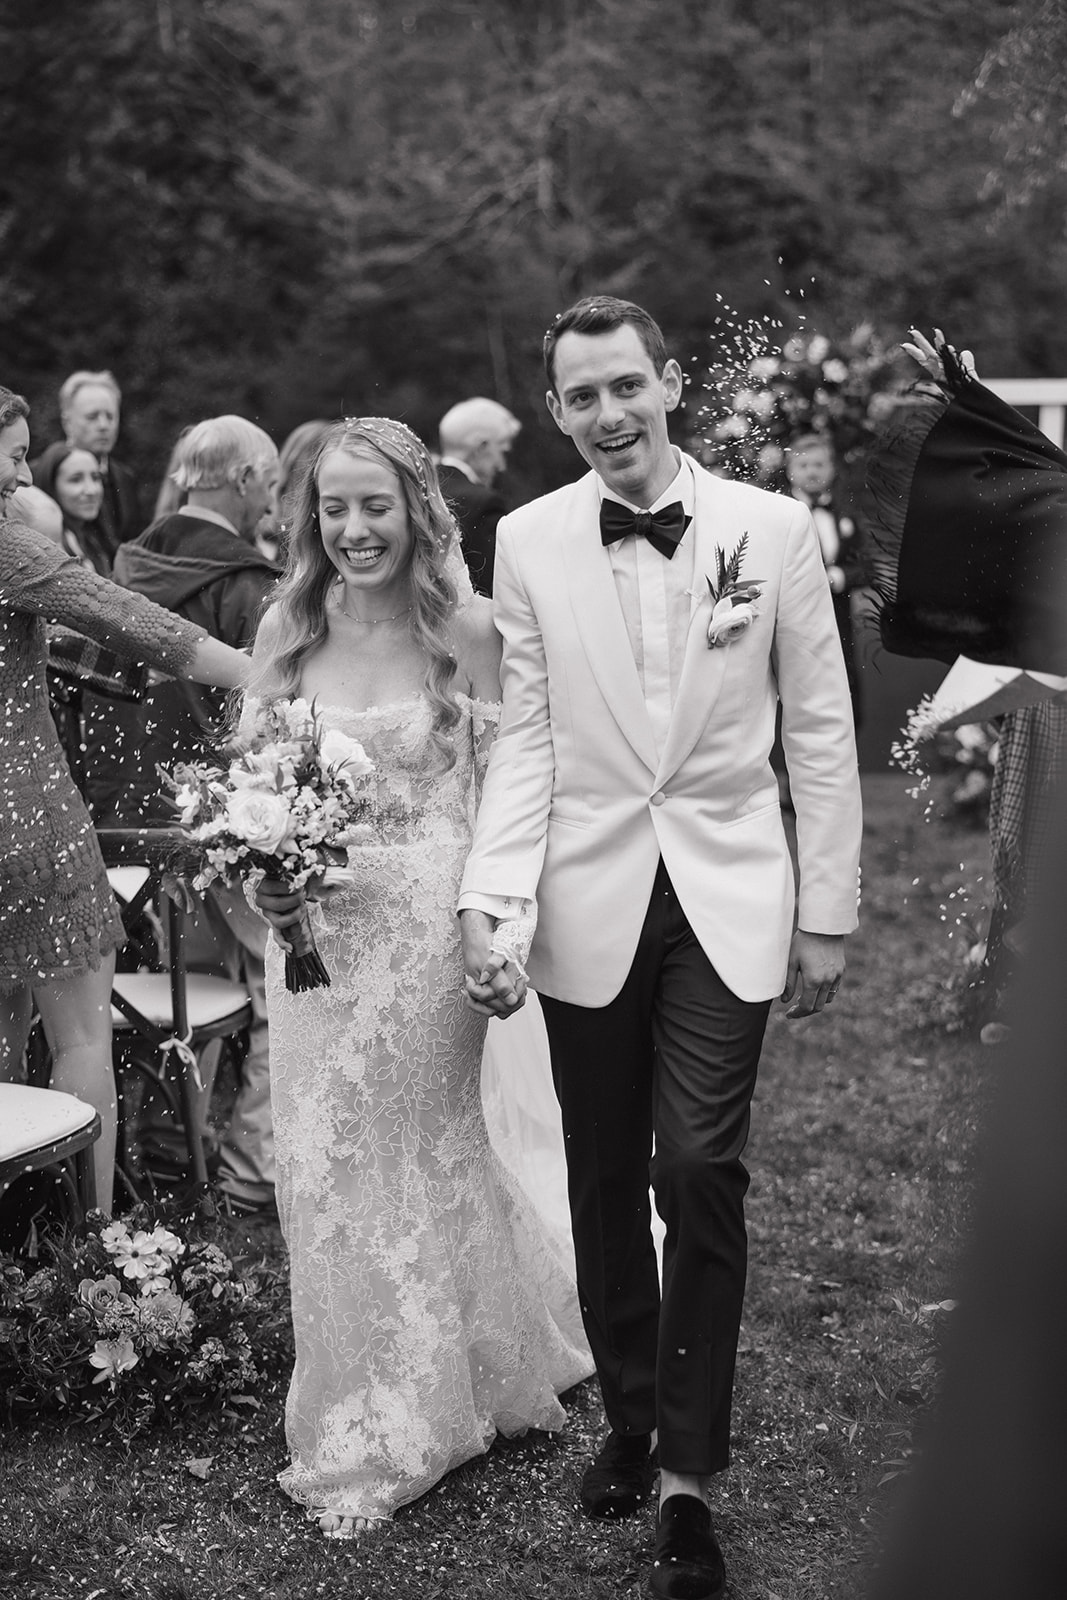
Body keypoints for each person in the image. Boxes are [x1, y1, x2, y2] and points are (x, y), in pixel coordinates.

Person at [458, 296, 863, 1600]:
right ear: (554, 411)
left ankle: (688, 1479)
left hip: (727, 894)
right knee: (598, 1172)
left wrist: (827, 908)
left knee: (693, 1166)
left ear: (669, 383)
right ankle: (629, 1416)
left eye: (625, 385)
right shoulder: (522, 540)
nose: (607, 415)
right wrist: (493, 900)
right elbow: (521, 738)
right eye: (580, 397)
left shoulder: (769, 529)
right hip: (583, 900)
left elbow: (816, 727)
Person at [249, 415, 591, 1537]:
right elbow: (252, 794)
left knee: (418, 1147)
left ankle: (428, 1405)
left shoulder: (474, 633)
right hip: (313, 944)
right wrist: (268, 883)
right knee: (319, 1158)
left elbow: (510, 795)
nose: (353, 529)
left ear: (417, 510)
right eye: (333, 508)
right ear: (309, 518)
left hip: (435, 933)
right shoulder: (284, 630)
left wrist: (491, 926)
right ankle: (356, 1393)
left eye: (375, 506)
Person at [0, 386, 251, 1216]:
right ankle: (87, 1247)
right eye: (11, 453)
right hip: (30, 827)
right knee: (80, 1037)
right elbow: (130, 621)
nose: (19, 472)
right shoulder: (10, 546)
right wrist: (269, 673)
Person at [112, 416, 281, 1213]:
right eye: (272, 486)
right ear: (244, 480)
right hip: (219, 823)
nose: (273, 505)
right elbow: (269, 715)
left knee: (174, 994)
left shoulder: (124, 567)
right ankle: (254, 1175)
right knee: (279, 992)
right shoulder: (246, 585)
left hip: (122, 832)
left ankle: (173, 1152)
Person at [785, 431, 869, 727]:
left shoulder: (844, 512)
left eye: (819, 465)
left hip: (837, 617)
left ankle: (846, 757)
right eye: (804, 465)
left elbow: (865, 564)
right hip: (789, 618)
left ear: (831, 469)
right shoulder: (776, 512)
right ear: (790, 471)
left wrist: (839, 577)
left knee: (842, 682)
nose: (812, 472)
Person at [49, 370, 142, 552]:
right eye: (92, 417)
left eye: (110, 416)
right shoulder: (38, 475)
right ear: (67, 422)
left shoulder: (126, 478)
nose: (103, 425)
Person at [436, 397, 521, 596]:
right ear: (481, 447)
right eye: (502, 451)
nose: (502, 466)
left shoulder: (421, 488)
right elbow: (493, 589)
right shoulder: (483, 503)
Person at [30, 442, 112, 574]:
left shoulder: (93, 538)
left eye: (96, 478)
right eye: (76, 480)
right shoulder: (50, 548)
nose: (91, 490)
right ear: (52, 486)